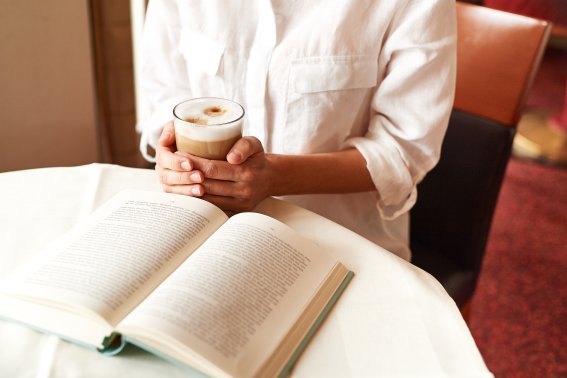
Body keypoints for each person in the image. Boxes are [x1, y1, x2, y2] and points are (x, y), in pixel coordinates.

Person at [138, 0, 457, 261]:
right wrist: (174, 156)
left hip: (343, 250)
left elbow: (402, 152)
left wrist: (275, 176)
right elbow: (162, 93)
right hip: (205, 237)